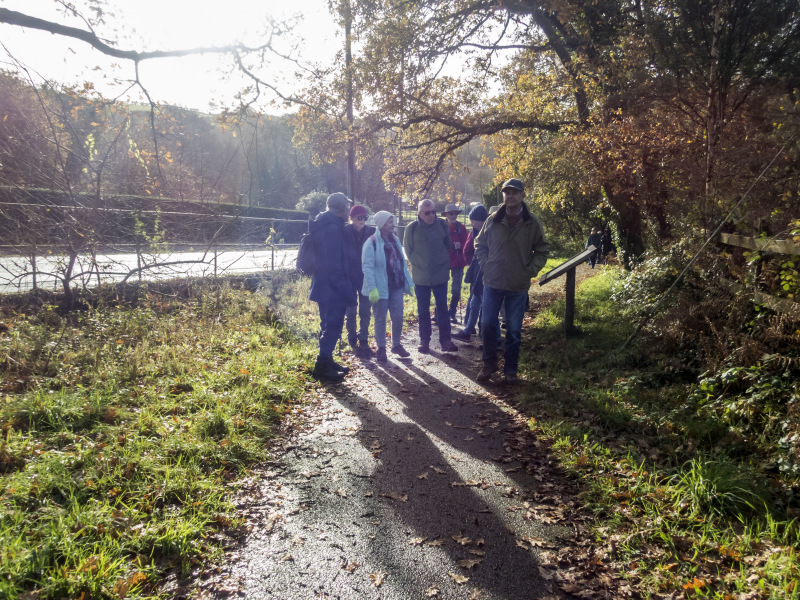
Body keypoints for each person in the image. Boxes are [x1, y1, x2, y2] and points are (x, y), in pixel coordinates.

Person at [475, 178, 549, 383]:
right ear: (503, 196)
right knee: (488, 324)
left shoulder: (531, 222)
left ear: (522, 195)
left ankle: (510, 371)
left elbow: (542, 249)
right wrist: (486, 265)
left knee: (514, 330)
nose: (510, 195)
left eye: (515, 192)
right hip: (492, 282)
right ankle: (489, 364)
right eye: (507, 192)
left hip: (518, 284)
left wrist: (530, 270)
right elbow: (479, 244)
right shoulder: (493, 219)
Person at [309, 192, 356, 380]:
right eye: (347, 207)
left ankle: (327, 360)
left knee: (327, 324)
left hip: (322, 285)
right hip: (332, 288)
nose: (348, 210)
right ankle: (321, 366)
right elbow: (334, 263)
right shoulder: (333, 229)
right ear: (343, 208)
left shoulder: (324, 224)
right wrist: (345, 288)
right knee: (333, 326)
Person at [403, 199, 459, 354]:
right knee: (423, 310)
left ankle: (446, 341)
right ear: (420, 213)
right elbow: (408, 250)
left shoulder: (442, 225)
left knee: (442, 308)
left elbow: (447, 244)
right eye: (427, 212)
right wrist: (421, 264)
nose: (431, 215)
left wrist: (441, 262)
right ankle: (424, 341)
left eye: (433, 211)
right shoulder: (411, 228)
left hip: (440, 275)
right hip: (421, 277)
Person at [362, 211, 414, 363]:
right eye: (390, 222)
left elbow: (402, 265)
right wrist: (372, 288)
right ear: (382, 224)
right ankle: (381, 348)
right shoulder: (371, 242)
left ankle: (396, 345)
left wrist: (409, 282)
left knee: (398, 317)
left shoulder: (395, 240)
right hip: (380, 288)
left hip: (396, 286)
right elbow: (368, 268)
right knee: (380, 319)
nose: (393, 224)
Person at [453, 204, 489, 341]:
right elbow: (467, 250)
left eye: (472, 220)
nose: (471, 223)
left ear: (479, 220)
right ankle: (469, 330)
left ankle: (492, 337)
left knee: (483, 304)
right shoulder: (475, 231)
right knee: (475, 302)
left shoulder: (487, 232)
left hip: (485, 272)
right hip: (476, 271)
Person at [344, 204, 376, 357]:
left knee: (365, 310)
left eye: (365, 217)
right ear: (351, 218)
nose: (362, 220)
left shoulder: (371, 232)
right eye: (359, 217)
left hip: (365, 277)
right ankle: (352, 338)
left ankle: (363, 339)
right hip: (349, 277)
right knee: (350, 310)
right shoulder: (344, 232)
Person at [442, 203, 469, 323]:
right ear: (446, 215)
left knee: (456, 289)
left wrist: (460, 246)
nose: (453, 215)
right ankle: (440, 313)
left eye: (455, 213)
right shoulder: (441, 226)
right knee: (441, 287)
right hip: (444, 261)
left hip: (458, 261)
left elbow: (467, 244)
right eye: (450, 213)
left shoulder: (461, 227)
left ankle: (452, 313)